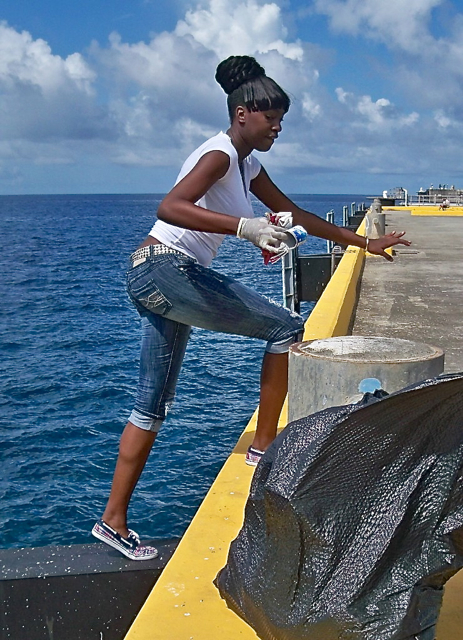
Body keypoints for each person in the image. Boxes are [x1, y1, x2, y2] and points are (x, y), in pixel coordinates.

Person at [92, 55, 411, 560]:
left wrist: (361, 243)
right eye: (271, 118)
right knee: (285, 326)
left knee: (151, 407)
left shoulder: (248, 164)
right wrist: (246, 227)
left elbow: (295, 213)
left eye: (281, 118)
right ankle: (264, 449)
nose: (278, 127)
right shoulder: (219, 154)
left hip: (158, 276)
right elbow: (170, 207)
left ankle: (112, 522)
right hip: (164, 269)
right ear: (243, 114)